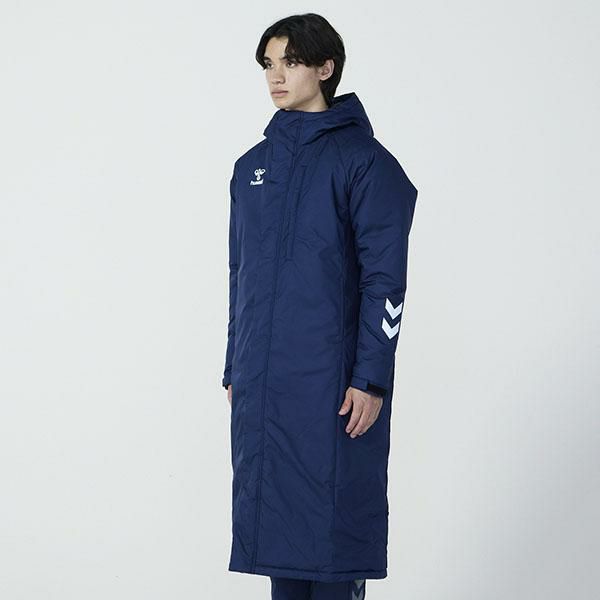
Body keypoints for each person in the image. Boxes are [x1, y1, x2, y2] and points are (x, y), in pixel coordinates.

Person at [221, 13, 418, 600]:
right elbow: (239, 275)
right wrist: (235, 365)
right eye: (268, 64)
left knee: (334, 549)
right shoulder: (250, 168)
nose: (275, 76)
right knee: (277, 550)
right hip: (264, 387)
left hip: (333, 389)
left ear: (326, 67)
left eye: (291, 62)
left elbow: (386, 281)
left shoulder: (365, 162)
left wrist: (371, 379)